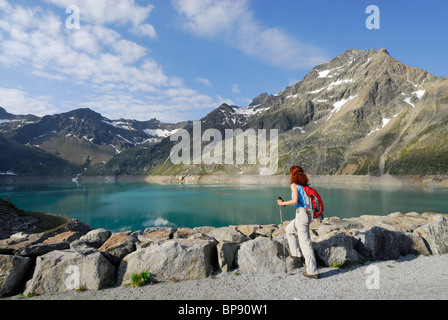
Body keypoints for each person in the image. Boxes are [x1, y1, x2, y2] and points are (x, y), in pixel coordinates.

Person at [277, 166, 319, 279]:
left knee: (305, 243)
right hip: (307, 215)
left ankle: (312, 271)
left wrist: (282, 203)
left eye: (290, 174)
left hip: (302, 214)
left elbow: (295, 200)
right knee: (289, 230)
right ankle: (296, 253)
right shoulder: (304, 186)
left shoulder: (294, 185)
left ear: (293, 174)